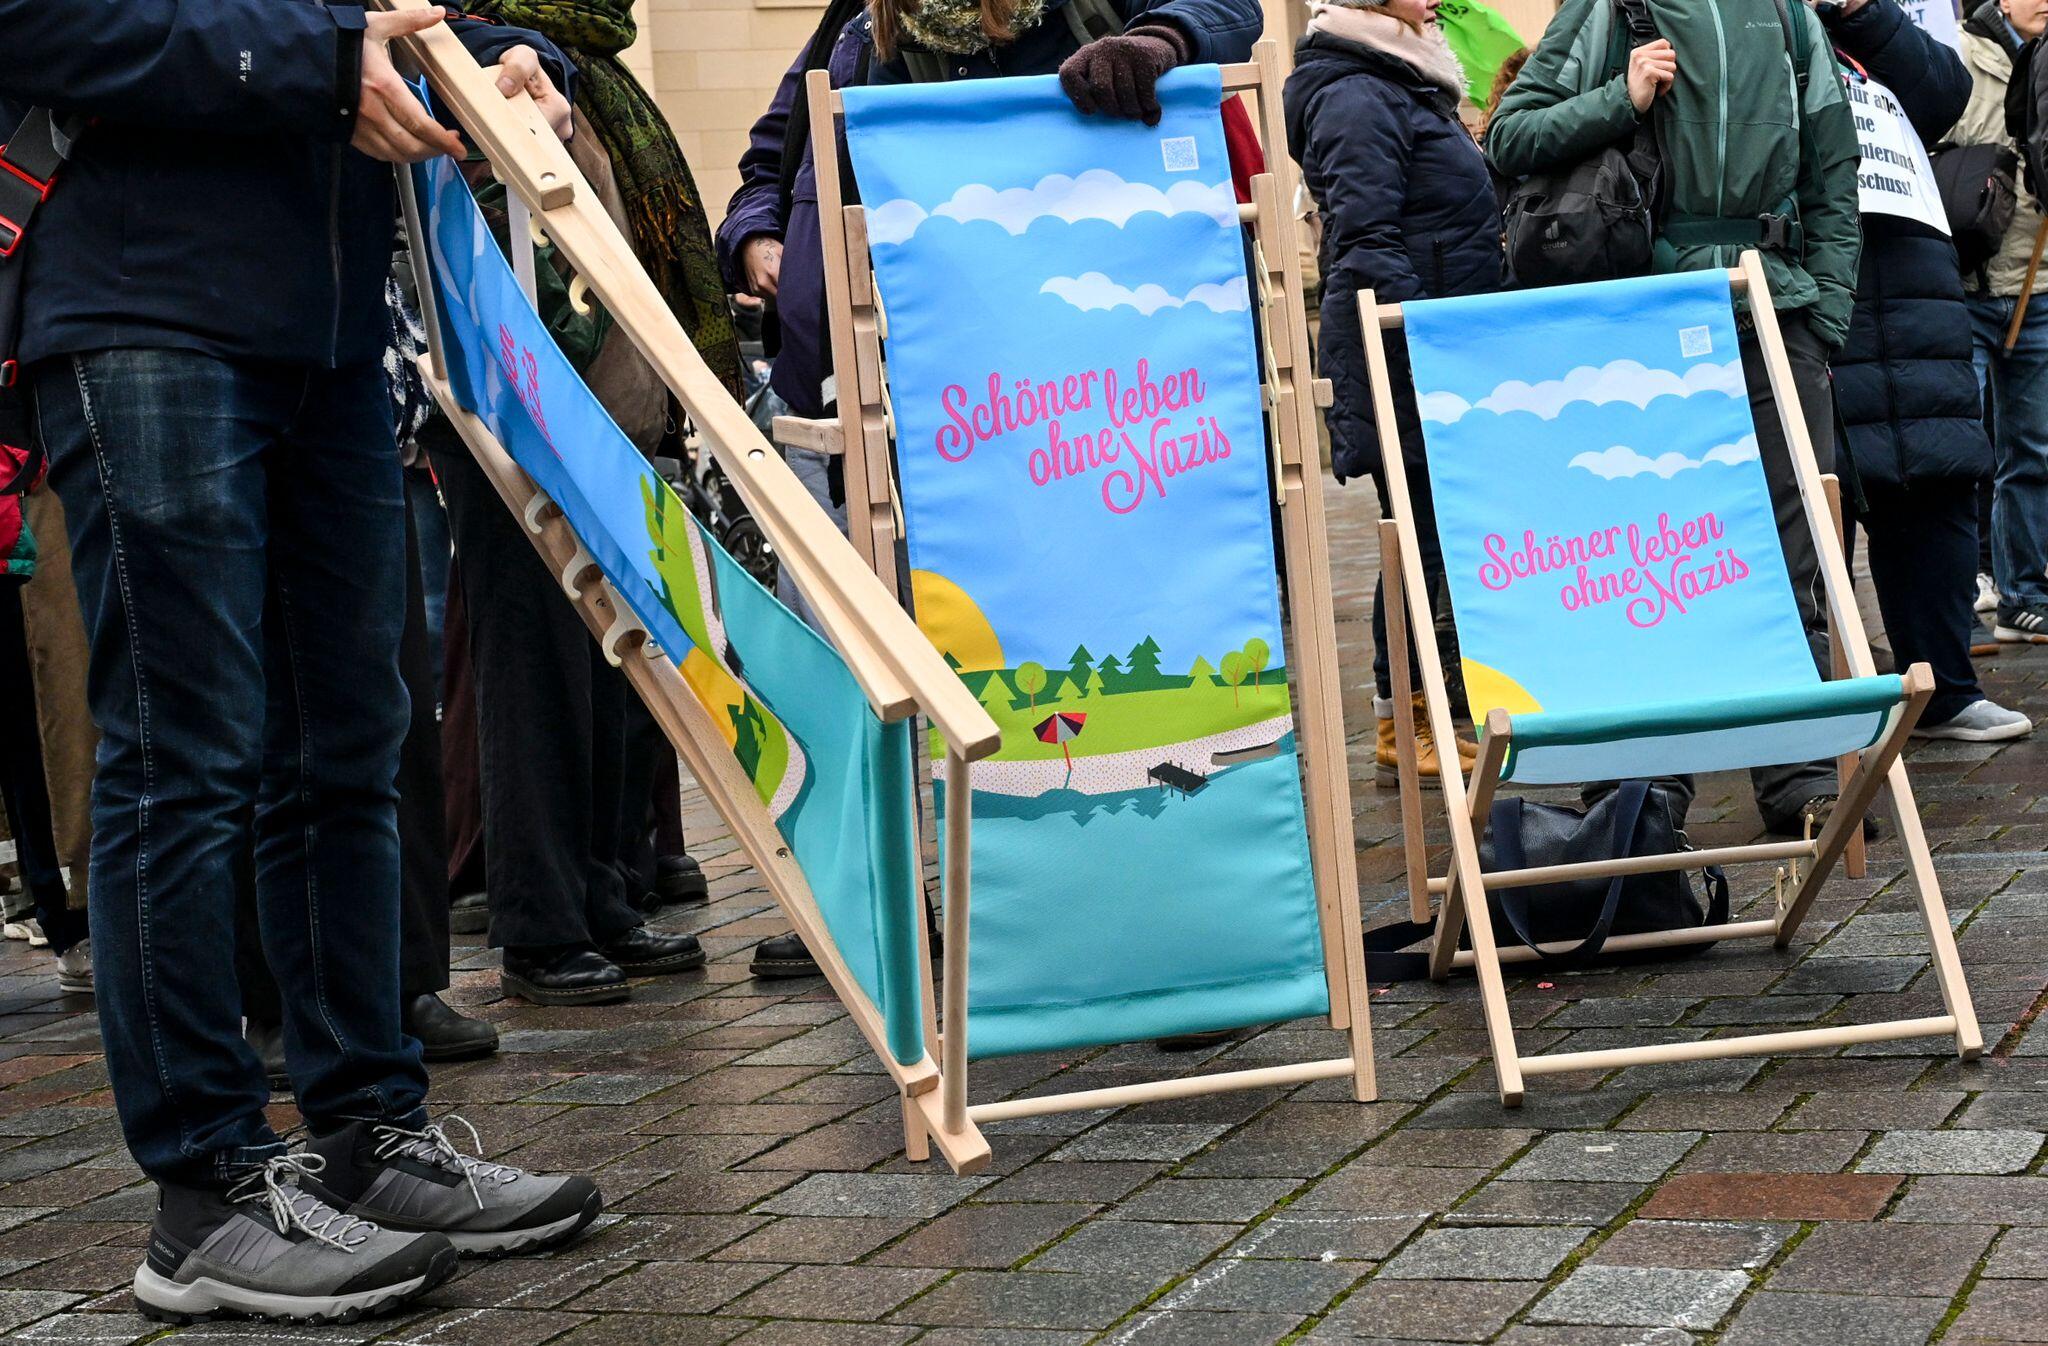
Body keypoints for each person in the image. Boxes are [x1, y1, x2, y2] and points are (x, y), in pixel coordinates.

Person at [4, 3, 602, 1322]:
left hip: (327, 334)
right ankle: (204, 1191)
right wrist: (320, 59)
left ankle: (368, 1134)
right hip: (146, 304)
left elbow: (384, 15)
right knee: (183, 757)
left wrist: (504, 60)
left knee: (346, 750)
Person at [718, 0, 1265, 978]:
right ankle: (878, 909)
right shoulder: (864, 20)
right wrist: (760, 234)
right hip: (852, 394)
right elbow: (775, 151)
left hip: (1043, 405)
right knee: (858, 657)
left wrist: (1160, 40)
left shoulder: (1076, 15)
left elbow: (1230, 11)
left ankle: (1146, 911)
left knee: (1063, 649)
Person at [1488, 0, 1864, 837]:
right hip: (1643, 326)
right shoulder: (1612, 8)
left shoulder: (1788, 17)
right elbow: (1508, 137)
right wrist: (1618, 99)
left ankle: (1801, 774)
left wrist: (1824, 316)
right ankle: (1641, 790)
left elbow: (1835, 172)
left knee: (1792, 554)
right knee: (1645, 559)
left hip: (1776, 315)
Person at [430, 0, 731, 1007]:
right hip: (515, 403)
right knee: (533, 666)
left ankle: (602, 894)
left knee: (610, 666)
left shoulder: (574, 63)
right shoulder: (462, 47)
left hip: (599, 411)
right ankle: (542, 921)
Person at [1285, 0, 1498, 791]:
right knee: (1415, 540)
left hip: (1438, 348)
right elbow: (1366, 243)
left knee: (1433, 536)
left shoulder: (1403, 75)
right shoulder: (1356, 91)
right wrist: (1427, 352)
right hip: (1409, 356)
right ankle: (1404, 725)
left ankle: (1429, 712)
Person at [1822, 0, 2031, 742]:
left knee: (1935, 478)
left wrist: (1859, 15)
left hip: (1912, 281)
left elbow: (1944, 94)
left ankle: (1944, 691)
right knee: (1813, 500)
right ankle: (1819, 706)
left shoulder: (1871, 21)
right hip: (1813, 281)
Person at [1954, 0, 2048, 642]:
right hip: (1965, 288)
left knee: (2033, 452)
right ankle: (1956, 598)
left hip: (2038, 287)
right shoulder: (1957, 59)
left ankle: (2024, 595)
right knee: (1959, 456)